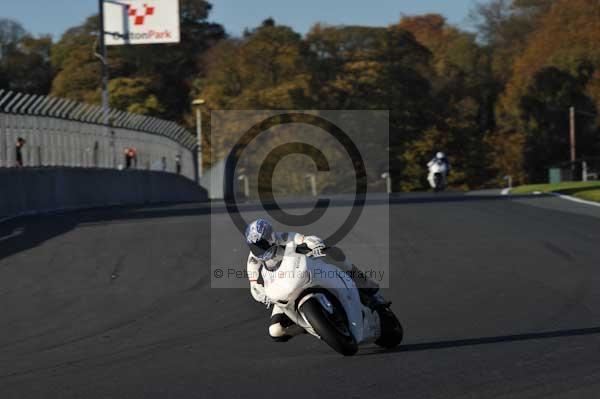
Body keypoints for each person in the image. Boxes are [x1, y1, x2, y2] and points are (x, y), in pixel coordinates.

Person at [244, 218, 385, 342]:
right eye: (254, 246)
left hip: (302, 272)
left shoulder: (283, 237)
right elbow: (254, 282)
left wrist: (315, 244)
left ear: (270, 237)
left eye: (261, 244)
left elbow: (303, 238)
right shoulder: (253, 258)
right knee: (276, 331)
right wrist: (260, 293)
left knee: (334, 253)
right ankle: (312, 325)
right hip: (284, 289)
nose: (258, 249)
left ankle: (364, 283)